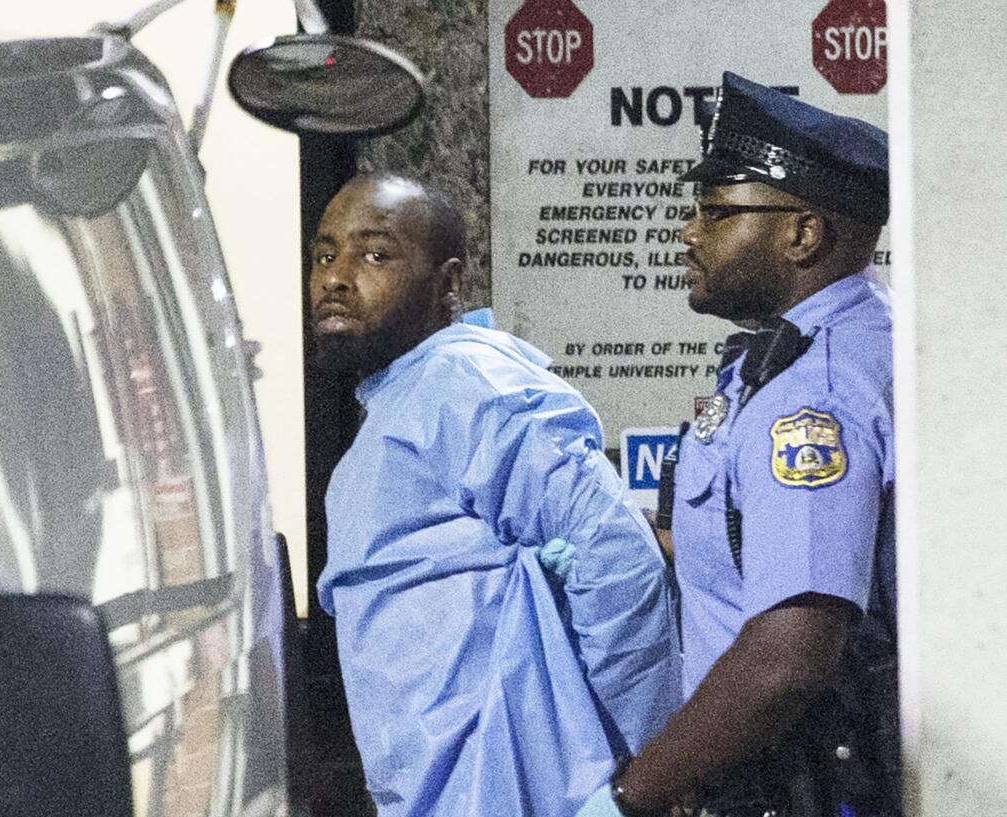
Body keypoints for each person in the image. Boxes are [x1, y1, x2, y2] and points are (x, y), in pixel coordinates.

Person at [312, 173, 680, 817]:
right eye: (325, 253)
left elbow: (618, 555)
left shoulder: (467, 382)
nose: (337, 277)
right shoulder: (401, 402)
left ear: (449, 283)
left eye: (375, 254)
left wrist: (641, 780)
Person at [581, 72, 898, 817]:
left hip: (801, 785)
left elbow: (788, 658)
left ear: (801, 233)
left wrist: (634, 791)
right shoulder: (844, 344)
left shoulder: (813, 393)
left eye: (718, 213)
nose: (690, 232)